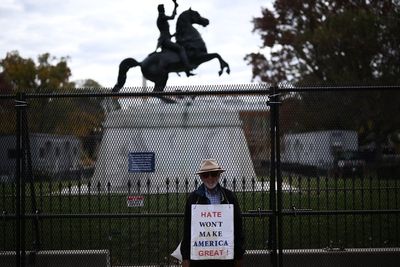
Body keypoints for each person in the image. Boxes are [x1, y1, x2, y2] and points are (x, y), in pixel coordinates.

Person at [181, 159, 245, 267]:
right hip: (201, 258)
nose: (210, 178)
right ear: (201, 177)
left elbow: (237, 227)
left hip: (224, 257)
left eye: (214, 174)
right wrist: (186, 257)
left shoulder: (229, 197)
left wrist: (239, 255)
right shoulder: (193, 199)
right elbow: (188, 229)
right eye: (206, 175)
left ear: (219, 175)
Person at [156, 0, 194, 77]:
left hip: (166, 38)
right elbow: (172, 17)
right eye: (163, 8)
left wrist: (173, 34)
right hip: (165, 40)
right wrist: (175, 7)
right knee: (181, 49)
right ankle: (187, 67)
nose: (164, 10)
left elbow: (166, 32)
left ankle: (186, 70)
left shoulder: (161, 17)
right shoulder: (161, 16)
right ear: (161, 10)